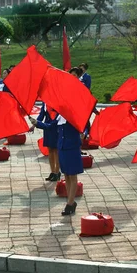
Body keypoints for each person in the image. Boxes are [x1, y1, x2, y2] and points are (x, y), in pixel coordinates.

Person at [30, 71, 83, 215]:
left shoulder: (74, 114)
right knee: (66, 175)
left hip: (72, 147)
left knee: (72, 176)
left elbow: (84, 125)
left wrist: (84, 133)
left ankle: (70, 203)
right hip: (62, 147)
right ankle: (70, 201)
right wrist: (37, 123)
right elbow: (51, 126)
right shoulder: (60, 114)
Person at [30, 102, 61, 182]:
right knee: (50, 150)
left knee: (57, 150)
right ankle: (52, 171)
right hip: (47, 129)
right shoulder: (45, 103)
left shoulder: (59, 101)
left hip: (56, 128)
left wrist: (38, 124)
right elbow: (41, 115)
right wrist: (34, 125)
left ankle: (57, 172)